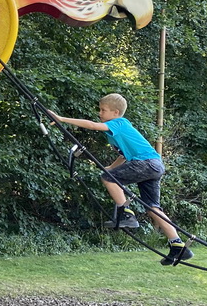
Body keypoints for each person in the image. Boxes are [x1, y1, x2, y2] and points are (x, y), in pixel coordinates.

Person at [48, 93, 192, 266]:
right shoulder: (115, 131)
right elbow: (124, 156)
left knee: (108, 178)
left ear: (116, 112)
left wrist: (61, 119)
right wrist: (111, 167)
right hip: (154, 165)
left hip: (146, 163)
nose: (100, 113)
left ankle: (126, 214)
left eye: (103, 110)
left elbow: (93, 126)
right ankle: (178, 245)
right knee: (152, 207)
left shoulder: (119, 123)